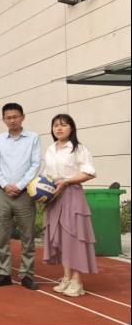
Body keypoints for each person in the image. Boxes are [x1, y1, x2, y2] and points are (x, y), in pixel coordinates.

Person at [43, 114, 97, 298]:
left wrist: (66, 181)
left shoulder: (78, 148)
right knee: (60, 238)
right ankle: (66, 277)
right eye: (55, 125)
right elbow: (46, 174)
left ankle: (77, 281)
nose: (59, 128)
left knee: (74, 237)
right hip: (54, 196)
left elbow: (89, 172)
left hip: (72, 193)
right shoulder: (50, 149)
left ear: (71, 128)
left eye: (63, 125)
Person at [0, 103, 41, 290]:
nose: (12, 120)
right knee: (2, 236)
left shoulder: (33, 138)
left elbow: (35, 164)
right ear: (3, 119)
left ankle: (27, 275)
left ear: (22, 117)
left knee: (28, 237)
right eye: (8, 117)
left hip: (24, 194)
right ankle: (4, 273)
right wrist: (5, 185)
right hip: (3, 193)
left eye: (15, 116)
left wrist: (19, 186)